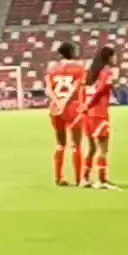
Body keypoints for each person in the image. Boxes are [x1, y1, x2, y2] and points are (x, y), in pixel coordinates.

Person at [44, 42, 88, 186]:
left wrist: (57, 101)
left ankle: (59, 177)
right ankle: (79, 179)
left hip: (55, 109)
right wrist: (65, 102)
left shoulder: (52, 68)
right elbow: (77, 87)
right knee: (76, 144)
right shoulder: (79, 68)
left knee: (60, 144)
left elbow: (48, 90)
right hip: (73, 108)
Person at [79, 45, 119, 190]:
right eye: (114, 55)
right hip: (99, 114)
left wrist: (84, 106)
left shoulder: (91, 73)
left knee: (91, 148)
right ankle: (102, 181)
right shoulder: (106, 72)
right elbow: (101, 90)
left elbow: (85, 88)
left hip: (88, 116)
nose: (116, 58)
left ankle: (85, 179)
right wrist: (88, 105)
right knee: (103, 149)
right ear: (109, 57)